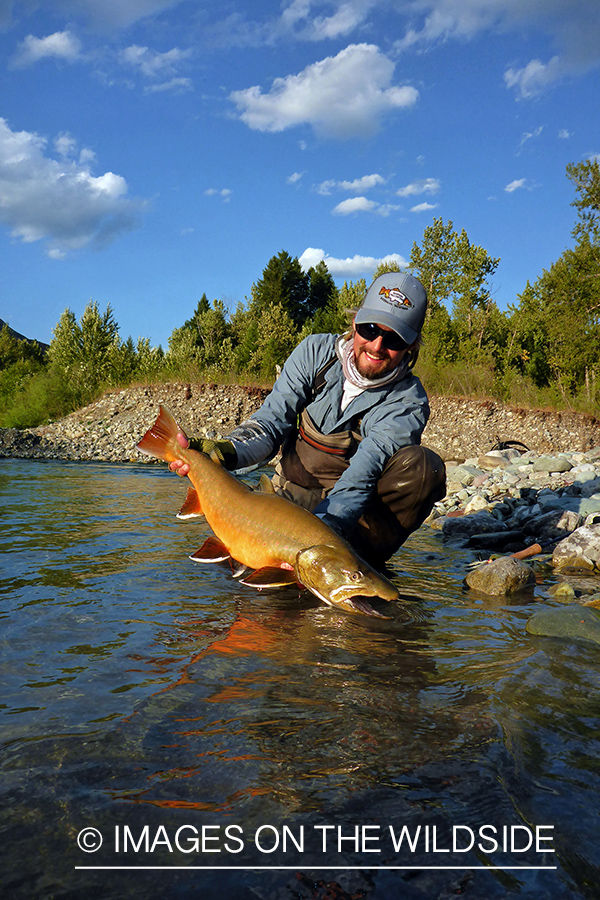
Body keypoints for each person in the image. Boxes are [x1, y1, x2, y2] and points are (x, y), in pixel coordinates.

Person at [170, 271, 446, 566]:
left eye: (393, 338)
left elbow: (361, 477)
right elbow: (271, 423)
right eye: (369, 329)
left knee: (423, 468)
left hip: (350, 521)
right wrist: (227, 451)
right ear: (354, 323)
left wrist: (318, 547)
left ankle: (356, 567)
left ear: (411, 346)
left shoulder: (407, 402)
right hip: (283, 505)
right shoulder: (315, 354)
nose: (377, 345)